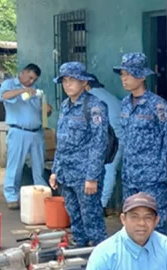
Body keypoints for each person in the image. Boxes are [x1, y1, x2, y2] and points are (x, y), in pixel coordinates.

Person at [115, 52, 167, 236]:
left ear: (142, 76)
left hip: (152, 177)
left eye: (129, 74)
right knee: (131, 224)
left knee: (155, 224)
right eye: (122, 75)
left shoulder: (157, 105)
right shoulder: (125, 104)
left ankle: (158, 263)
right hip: (130, 176)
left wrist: (159, 164)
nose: (124, 79)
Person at [49, 62, 109, 248]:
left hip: (85, 175)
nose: (68, 85)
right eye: (65, 80)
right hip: (67, 173)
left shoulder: (95, 106)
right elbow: (62, 141)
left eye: (73, 80)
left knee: (92, 220)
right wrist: (55, 170)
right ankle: (80, 254)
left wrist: (92, 177)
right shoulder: (66, 106)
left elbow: (99, 143)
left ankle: (99, 256)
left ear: (84, 82)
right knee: (74, 217)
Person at [0, 63, 52, 209]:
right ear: (24, 72)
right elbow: (2, 96)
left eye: (34, 80)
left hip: (36, 132)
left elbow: (42, 109)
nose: (31, 82)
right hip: (18, 131)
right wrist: (22, 90)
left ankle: (42, 195)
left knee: (38, 167)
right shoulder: (10, 84)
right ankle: (11, 197)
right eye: (30, 77)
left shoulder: (35, 91)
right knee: (15, 167)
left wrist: (47, 109)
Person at [85, 74, 123, 214]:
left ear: (86, 85)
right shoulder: (109, 95)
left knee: (108, 170)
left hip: (110, 138)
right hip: (120, 137)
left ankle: (101, 204)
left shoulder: (91, 97)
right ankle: (102, 203)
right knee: (109, 170)